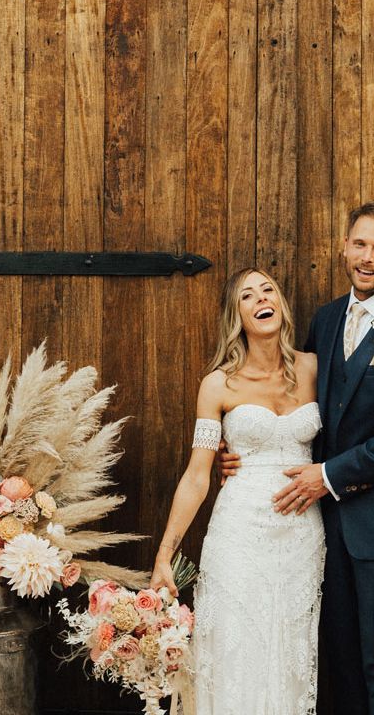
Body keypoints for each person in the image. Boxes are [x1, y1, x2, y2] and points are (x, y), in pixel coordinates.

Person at [221, 199, 374, 715]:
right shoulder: (327, 321)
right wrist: (242, 452)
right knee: (342, 663)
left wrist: (328, 475)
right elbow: (298, 407)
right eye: (359, 243)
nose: (366, 257)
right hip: (320, 526)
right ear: (344, 246)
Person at [150, 267, 325, 715]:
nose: (261, 298)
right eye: (248, 295)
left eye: (269, 290)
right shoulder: (218, 385)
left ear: (282, 305)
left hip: (302, 535)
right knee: (232, 646)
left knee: (290, 648)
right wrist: (164, 555)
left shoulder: (313, 367)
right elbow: (197, 475)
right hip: (239, 531)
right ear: (237, 314)